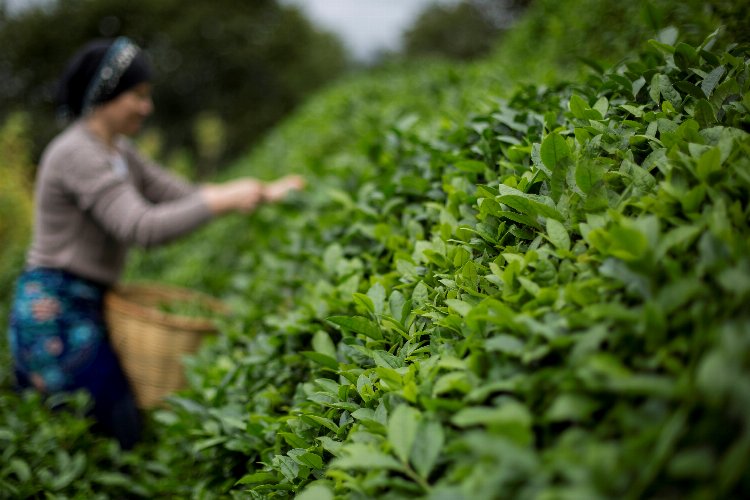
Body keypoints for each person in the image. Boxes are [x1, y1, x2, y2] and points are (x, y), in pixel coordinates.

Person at [6, 36, 304, 449]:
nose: (147, 107)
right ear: (107, 95)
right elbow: (141, 227)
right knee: (98, 430)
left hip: (92, 300)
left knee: (116, 428)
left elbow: (179, 193)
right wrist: (220, 201)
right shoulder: (75, 153)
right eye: (138, 96)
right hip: (54, 309)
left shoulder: (120, 152)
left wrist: (261, 191)